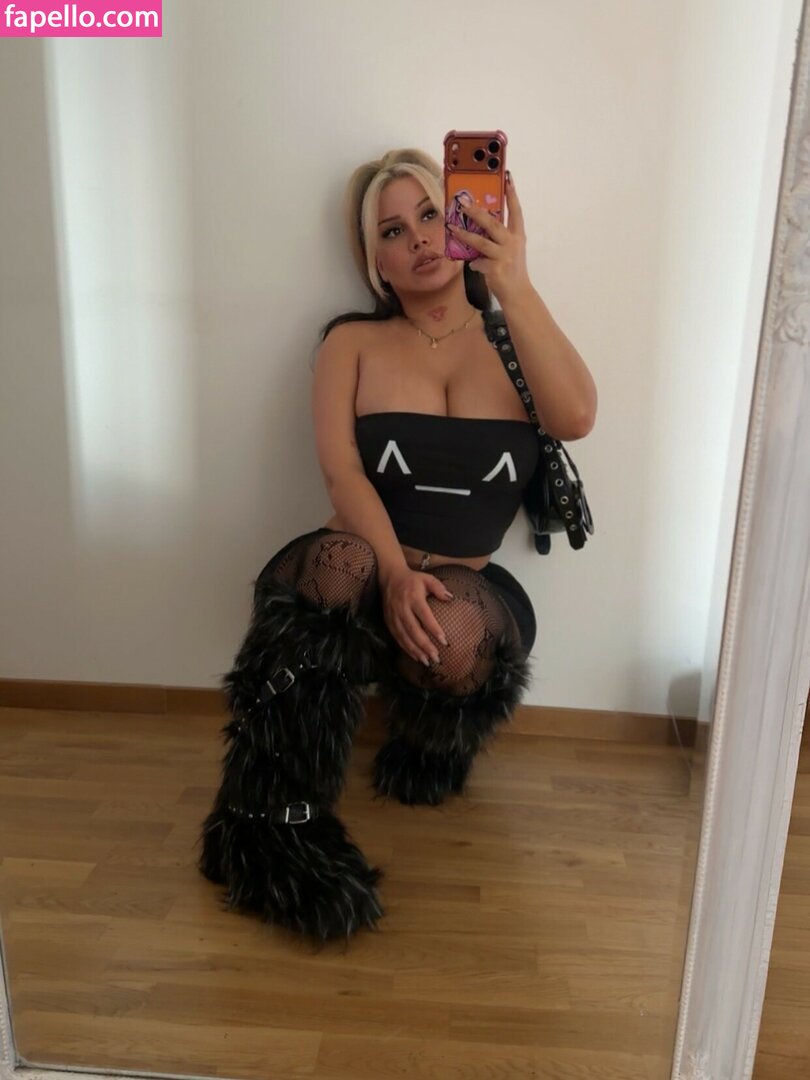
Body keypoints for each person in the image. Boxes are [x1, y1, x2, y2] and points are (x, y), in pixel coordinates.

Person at [198, 148, 596, 945]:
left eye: (430, 214)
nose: (415, 238)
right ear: (374, 261)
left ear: (460, 224)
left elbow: (577, 417)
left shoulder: (510, 339)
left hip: (458, 590)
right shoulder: (350, 342)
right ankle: (269, 821)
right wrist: (391, 571)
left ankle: (427, 748)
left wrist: (514, 281)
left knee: (455, 630)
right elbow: (342, 473)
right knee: (336, 564)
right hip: (366, 570)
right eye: (390, 229)